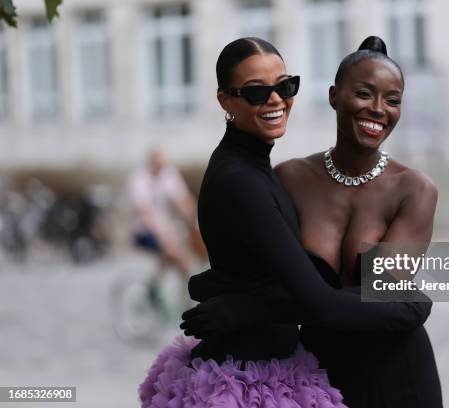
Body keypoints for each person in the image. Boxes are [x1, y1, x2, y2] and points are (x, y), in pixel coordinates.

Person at [139, 37, 432, 407]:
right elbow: (301, 288)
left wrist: (243, 303)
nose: (276, 100)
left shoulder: (415, 190)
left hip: (389, 371)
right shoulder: (284, 176)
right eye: (257, 92)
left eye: (285, 86)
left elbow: (373, 294)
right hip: (296, 371)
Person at [127, 149, 199, 307]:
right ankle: (178, 302)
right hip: (144, 231)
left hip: (165, 229)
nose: (162, 169)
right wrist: (164, 237)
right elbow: (144, 212)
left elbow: (183, 200)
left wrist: (195, 220)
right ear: (151, 163)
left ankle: (157, 289)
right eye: (159, 165)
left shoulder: (167, 174)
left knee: (181, 257)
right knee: (178, 259)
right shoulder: (139, 179)